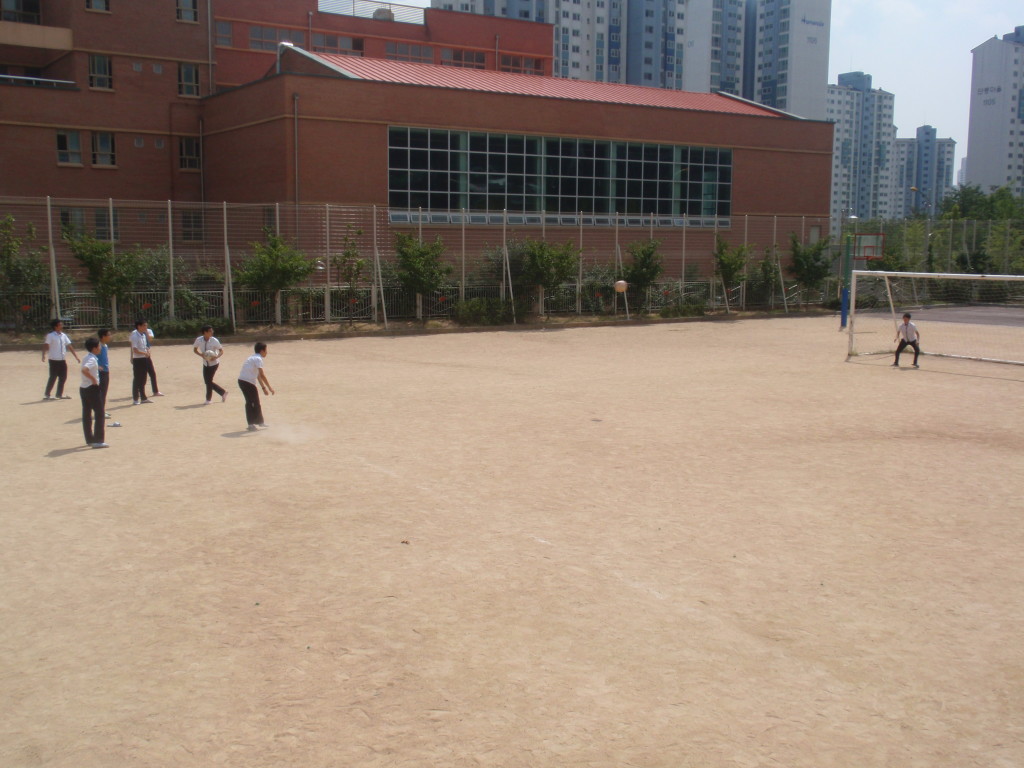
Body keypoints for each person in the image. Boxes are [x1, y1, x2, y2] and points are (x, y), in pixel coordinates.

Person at [237, 342, 274, 431]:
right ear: (262, 351)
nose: (267, 352)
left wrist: (263, 388)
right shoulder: (258, 359)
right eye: (266, 350)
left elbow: (257, 375)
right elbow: (262, 374)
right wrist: (269, 387)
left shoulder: (252, 357)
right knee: (250, 402)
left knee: (255, 402)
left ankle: (259, 422)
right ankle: (251, 424)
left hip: (244, 381)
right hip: (247, 382)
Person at [79, 337, 108, 448]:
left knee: (86, 414)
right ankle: (98, 440)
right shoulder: (92, 359)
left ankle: (90, 439)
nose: (100, 348)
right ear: (95, 348)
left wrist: (97, 369)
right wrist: (93, 379)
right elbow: (84, 370)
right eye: (98, 346)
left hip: (83, 388)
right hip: (92, 388)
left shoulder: (87, 357)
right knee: (100, 413)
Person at [42, 318, 80, 400]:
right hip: (53, 359)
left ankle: (59, 394)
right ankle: (47, 394)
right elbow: (46, 345)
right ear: (55, 327)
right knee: (53, 377)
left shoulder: (64, 335)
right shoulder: (50, 335)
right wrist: (43, 354)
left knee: (63, 377)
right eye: (60, 325)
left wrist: (76, 356)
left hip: (62, 359)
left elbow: (69, 346)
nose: (62, 326)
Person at [193, 324, 227, 404]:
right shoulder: (199, 340)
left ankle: (208, 399)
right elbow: (195, 349)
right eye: (210, 331)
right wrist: (201, 355)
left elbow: (221, 351)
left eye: (212, 331)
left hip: (214, 364)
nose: (212, 332)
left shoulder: (214, 340)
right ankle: (223, 392)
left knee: (208, 381)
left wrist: (216, 357)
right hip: (205, 363)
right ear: (205, 332)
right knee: (207, 381)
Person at [129, 318, 153, 404]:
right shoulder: (135, 336)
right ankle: (135, 398)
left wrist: (147, 351)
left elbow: (145, 346)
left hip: (144, 358)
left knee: (143, 378)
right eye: (144, 325)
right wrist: (144, 353)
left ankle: (143, 397)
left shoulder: (143, 335)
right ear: (139, 326)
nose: (146, 327)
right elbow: (134, 349)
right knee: (137, 379)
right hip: (138, 360)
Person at [145, 325, 164, 396]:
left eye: (146, 325)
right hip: (139, 357)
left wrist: (146, 332)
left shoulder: (148, 331)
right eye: (144, 325)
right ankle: (139, 391)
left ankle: (155, 391)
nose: (145, 327)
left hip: (147, 355)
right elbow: (132, 346)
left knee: (152, 373)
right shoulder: (135, 333)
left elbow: (149, 340)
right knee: (141, 375)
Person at [97, 327, 112, 417]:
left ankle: (102, 410)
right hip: (100, 372)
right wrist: (98, 366)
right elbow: (94, 357)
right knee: (101, 392)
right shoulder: (98, 346)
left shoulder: (105, 346)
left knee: (104, 392)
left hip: (106, 370)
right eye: (108, 335)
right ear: (103, 336)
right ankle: (100, 412)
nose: (110, 336)